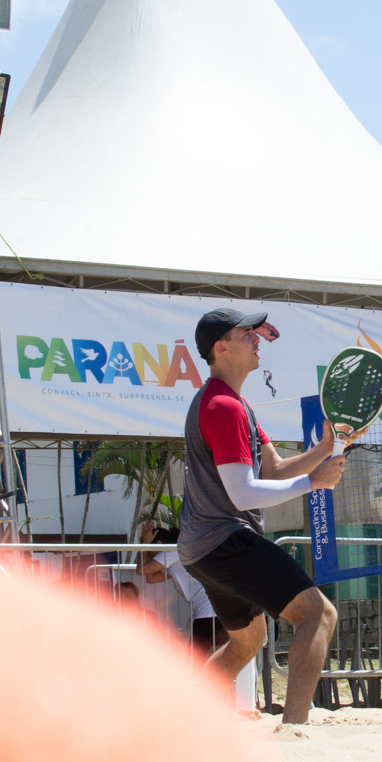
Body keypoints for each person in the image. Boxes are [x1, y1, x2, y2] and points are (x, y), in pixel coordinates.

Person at [178, 307, 347, 724]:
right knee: (319, 614)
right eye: (246, 334)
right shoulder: (222, 406)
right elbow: (242, 493)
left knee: (248, 638)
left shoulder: (233, 404)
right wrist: (314, 484)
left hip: (202, 548)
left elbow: (272, 470)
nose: (257, 339)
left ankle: (184, 723)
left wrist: (325, 448)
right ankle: (294, 730)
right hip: (225, 539)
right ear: (221, 348)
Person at [139, 521, 221, 656]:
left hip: (209, 612)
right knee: (199, 659)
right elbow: (151, 578)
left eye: (149, 547)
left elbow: (142, 570)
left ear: (159, 544)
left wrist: (143, 545)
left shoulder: (172, 552)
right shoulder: (176, 559)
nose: (147, 553)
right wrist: (146, 546)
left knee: (195, 660)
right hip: (211, 611)